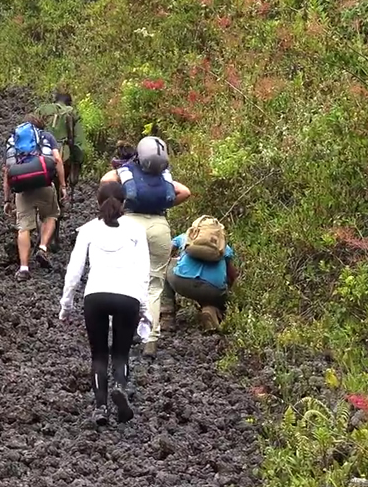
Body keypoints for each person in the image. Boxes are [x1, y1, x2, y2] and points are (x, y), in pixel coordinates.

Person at [58, 180, 152, 425]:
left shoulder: (88, 229)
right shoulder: (136, 231)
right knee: (121, 353)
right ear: (124, 203)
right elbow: (144, 271)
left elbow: (75, 270)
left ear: (98, 202)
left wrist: (66, 305)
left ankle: (100, 408)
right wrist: (143, 308)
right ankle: (120, 386)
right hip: (127, 296)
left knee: (99, 355)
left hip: (95, 296)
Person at [100, 135, 190, 358]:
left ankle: (123, 331)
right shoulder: (164, 178)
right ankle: (150, 339)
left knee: (124, 280)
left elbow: (105, 181)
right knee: (154, 285)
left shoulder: (127, 172)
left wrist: (122, 170)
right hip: (160, 226)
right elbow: (185, 192)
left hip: (130, 223)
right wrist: (165, 202)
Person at [2, 114, 68, 281]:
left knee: (23, 227)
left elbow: (7, 171)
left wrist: (7, 200)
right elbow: (58, 160)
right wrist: (63, 185)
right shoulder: (47, 137)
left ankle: (24, 268)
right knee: (51, 215)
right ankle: (43, 247)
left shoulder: (13, 141)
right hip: (45, 184)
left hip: (22, 189)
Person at [167, 216, 240, 332]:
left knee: (165, 266)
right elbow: (232, 275)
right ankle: (210, 308)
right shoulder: (224, 246)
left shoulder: (186, 237)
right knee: (213, 291)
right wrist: (229, 295)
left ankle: (166, 315)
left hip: (182, 282)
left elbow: (167, 250)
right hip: (213, 290)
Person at [35, 91, 83, 188]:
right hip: (62, 154)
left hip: (40, 152)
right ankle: (61, 190)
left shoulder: (42, 110)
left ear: (54, 100)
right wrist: (77, 161)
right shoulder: (72, 112)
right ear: (69, 103)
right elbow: (79, 142)